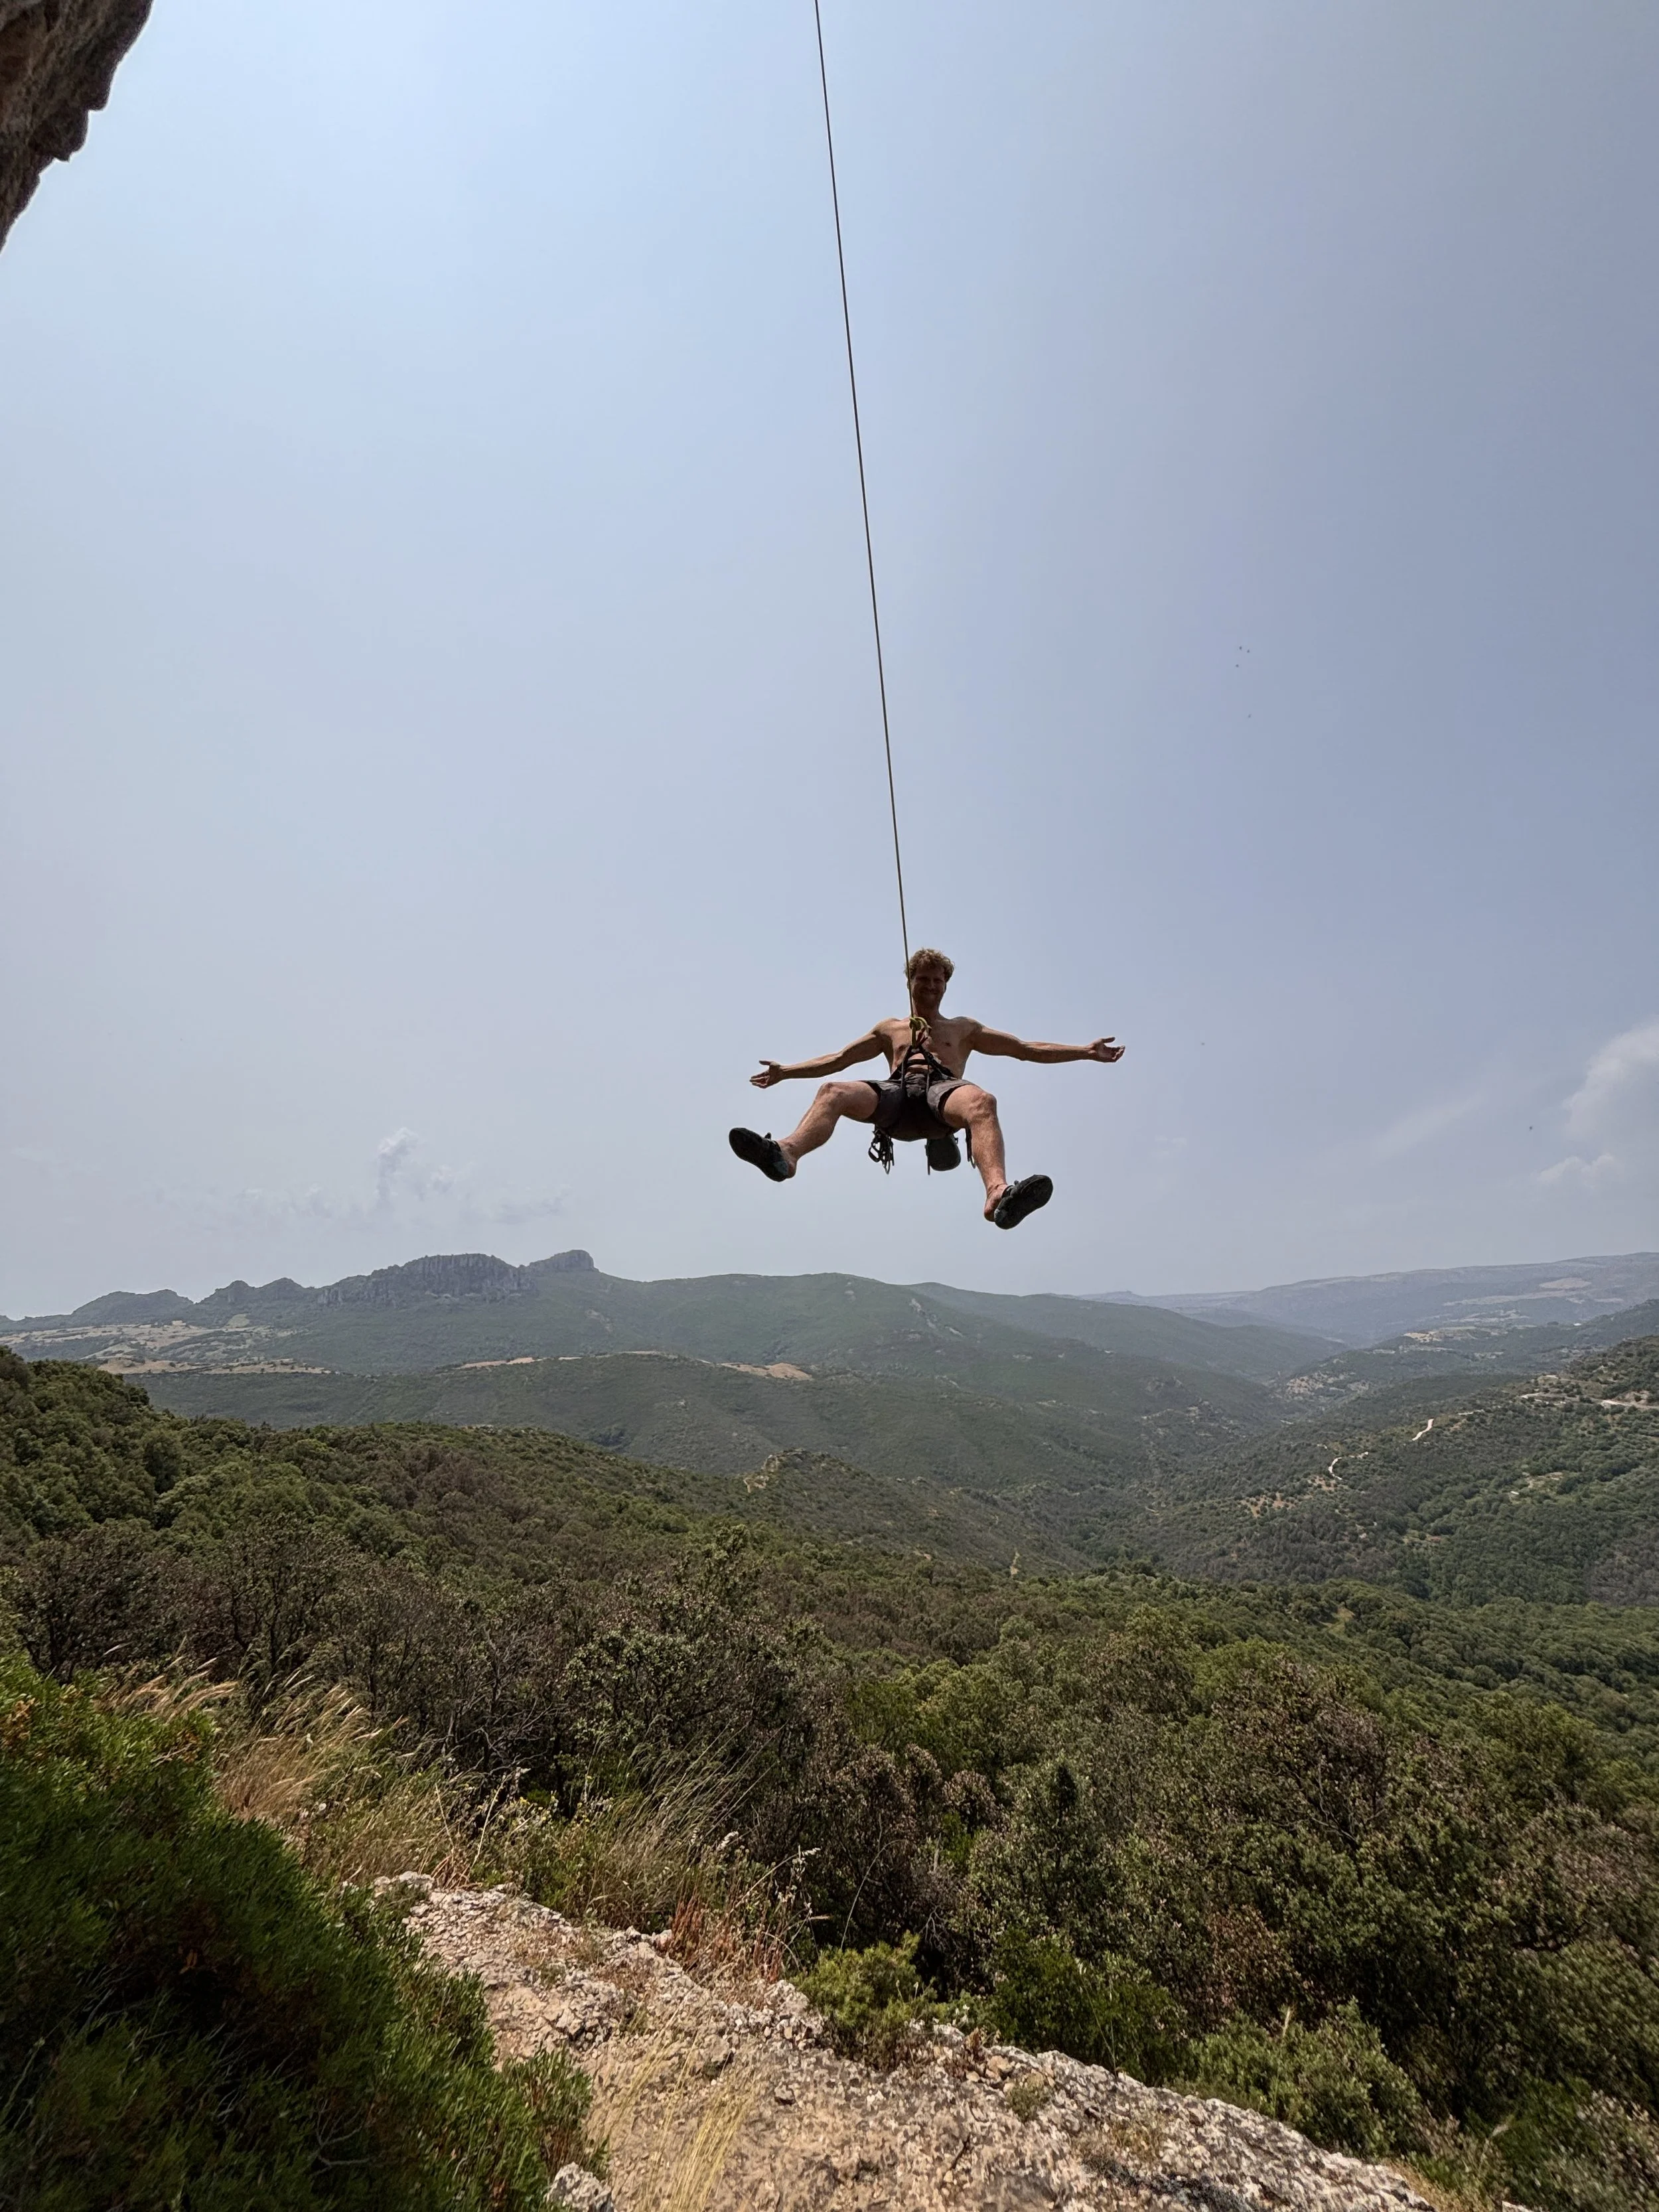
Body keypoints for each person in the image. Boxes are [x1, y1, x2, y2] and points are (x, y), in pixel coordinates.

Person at [729, 948, 1125, 1230]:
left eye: (938, 980)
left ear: (946, 986)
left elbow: (1023, 1049)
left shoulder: (962, 1029)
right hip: (897, 1096)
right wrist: (786, 1072)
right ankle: (785, 1155)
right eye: (924, 979)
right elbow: (839, 1059)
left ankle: (998, 1195)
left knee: (983, 1101)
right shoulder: (891, 1028)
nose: (931, 985)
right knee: (834, 1090)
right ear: (911, 983)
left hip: (943, 1097)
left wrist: (1084, 1051)